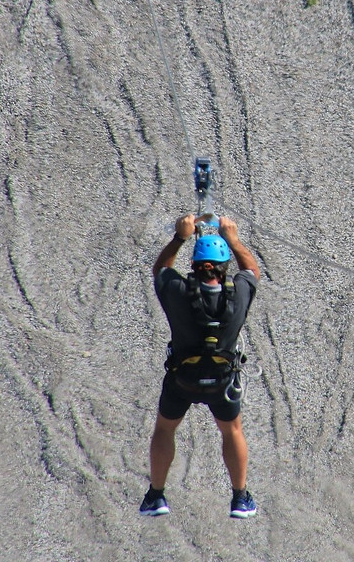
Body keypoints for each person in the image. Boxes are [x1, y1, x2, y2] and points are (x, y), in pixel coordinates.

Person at [139, 214, 261, 518]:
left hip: (183, 379)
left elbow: (161, 270)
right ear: (223, 267)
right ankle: (240, 497)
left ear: (194, 265)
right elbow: (252, 270)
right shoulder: (241, 291)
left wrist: (181, 237)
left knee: (165, 429)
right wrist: (233, 239)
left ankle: (156, 496)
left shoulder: (178, 292)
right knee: (231, 429)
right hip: (221, 381)